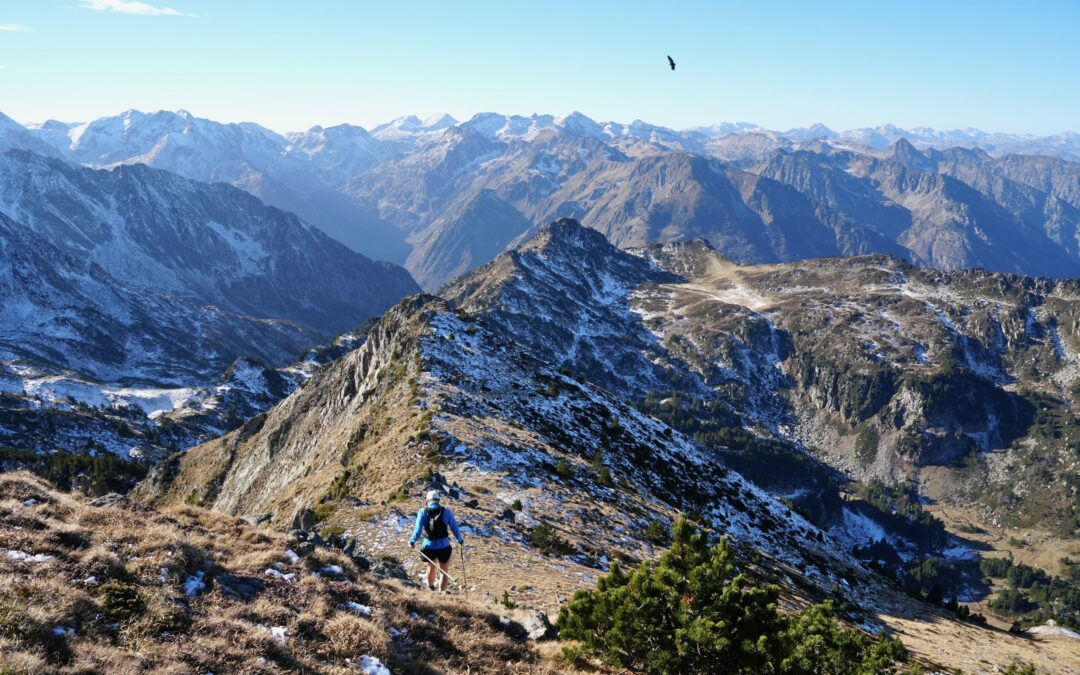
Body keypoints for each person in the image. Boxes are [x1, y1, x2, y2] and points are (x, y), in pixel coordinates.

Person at [409, 490, 464, 592]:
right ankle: (442, 593)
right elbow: (454, 528)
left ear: (427, 500)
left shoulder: (422, 512)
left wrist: (412, 541)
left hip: (428, 547)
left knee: (431, 567)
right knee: (444, 571)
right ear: (438, 500)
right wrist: (459, 540)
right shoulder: (446, 512)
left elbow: (417, 530)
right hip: (444, 547)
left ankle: (431, 588)